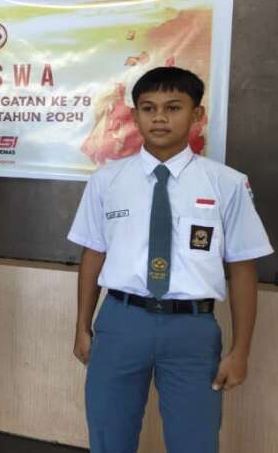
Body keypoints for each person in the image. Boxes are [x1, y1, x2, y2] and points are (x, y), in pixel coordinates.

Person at [69, 67, 272, 453]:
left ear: (197, 115)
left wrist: (240, 350)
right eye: (149, 108)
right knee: (109, 433)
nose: (159, 117)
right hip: (120, 322)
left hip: (192, 328)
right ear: (135, 116)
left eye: (173, 107)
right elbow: (93, 253)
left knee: (195, 439)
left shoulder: (227, 183)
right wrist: (82, 325)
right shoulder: (106, 181)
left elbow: (243, 268)